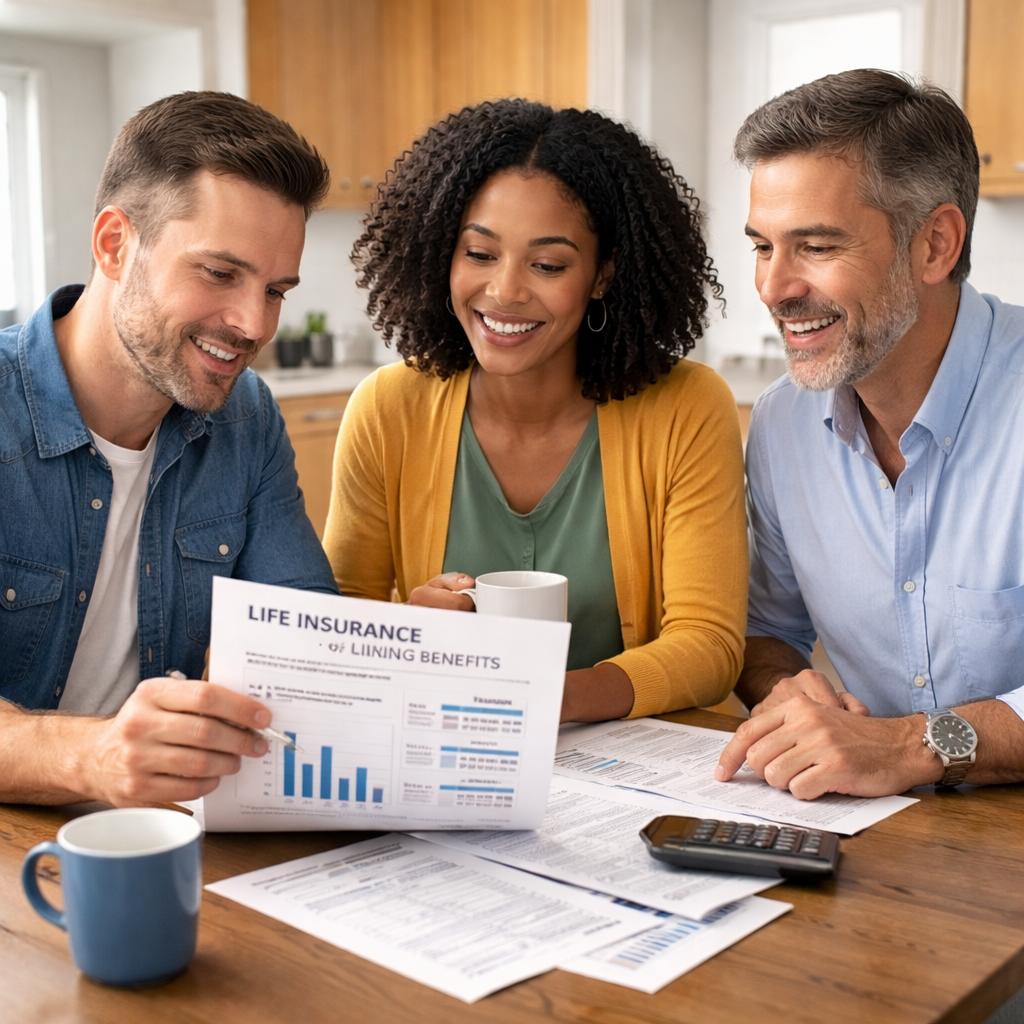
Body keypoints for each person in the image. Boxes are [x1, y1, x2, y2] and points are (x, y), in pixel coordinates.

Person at [325, 99, 748, 723]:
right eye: (479, 254)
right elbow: (337, 627)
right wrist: (412, 635)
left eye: (548, 264)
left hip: (634, 771)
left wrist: (538, 697)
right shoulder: (389, 408)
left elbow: (709, 645)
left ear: (603, 275)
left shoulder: (686, 406)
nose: (504, 292)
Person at [0, 92, 339, 807]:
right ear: (115, 244)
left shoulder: (246, 420)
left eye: (275, 289)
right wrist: (88, 756)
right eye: (219, 273)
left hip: (156, 838)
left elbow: (306, 651)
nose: (252, 324)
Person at [715, 70, 1024, 798]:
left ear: (935, 245)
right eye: (763, 246)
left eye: (816, 247)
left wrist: (907, 745)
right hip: (880, 843)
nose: (773, 287)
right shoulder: (783, 425)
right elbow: (767, 633)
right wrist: (788, 692)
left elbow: (900, 748)